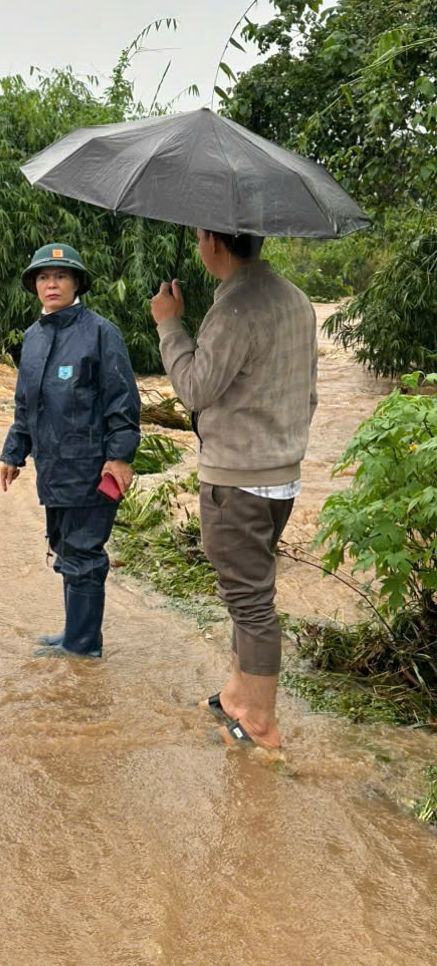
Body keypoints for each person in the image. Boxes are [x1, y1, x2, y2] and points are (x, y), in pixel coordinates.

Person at [150, 230, 318, 750]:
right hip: (281, 473)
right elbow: (308, 389)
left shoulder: (236, 308)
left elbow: (195, 388)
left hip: (239, 480)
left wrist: (168, 325)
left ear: (214, 243)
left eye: (201, 236)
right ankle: (236, 695)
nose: (200, 246)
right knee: (247, 591)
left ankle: (262, 723)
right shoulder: (296, 299)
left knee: (249, 602)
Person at [0, 243, 141, 658]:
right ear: (35, 286)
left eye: (60, 276)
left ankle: (83, 647)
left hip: (92, 466)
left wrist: (119, 457)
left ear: (77, 282)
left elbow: (123, 402)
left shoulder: (101, 332)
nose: (51, 284)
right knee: (64, 545)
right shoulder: (33, 336)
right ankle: (74, 634)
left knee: (83, 551)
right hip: (53, 466)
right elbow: (26, 404)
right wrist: (13, 453)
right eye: (43, 277)